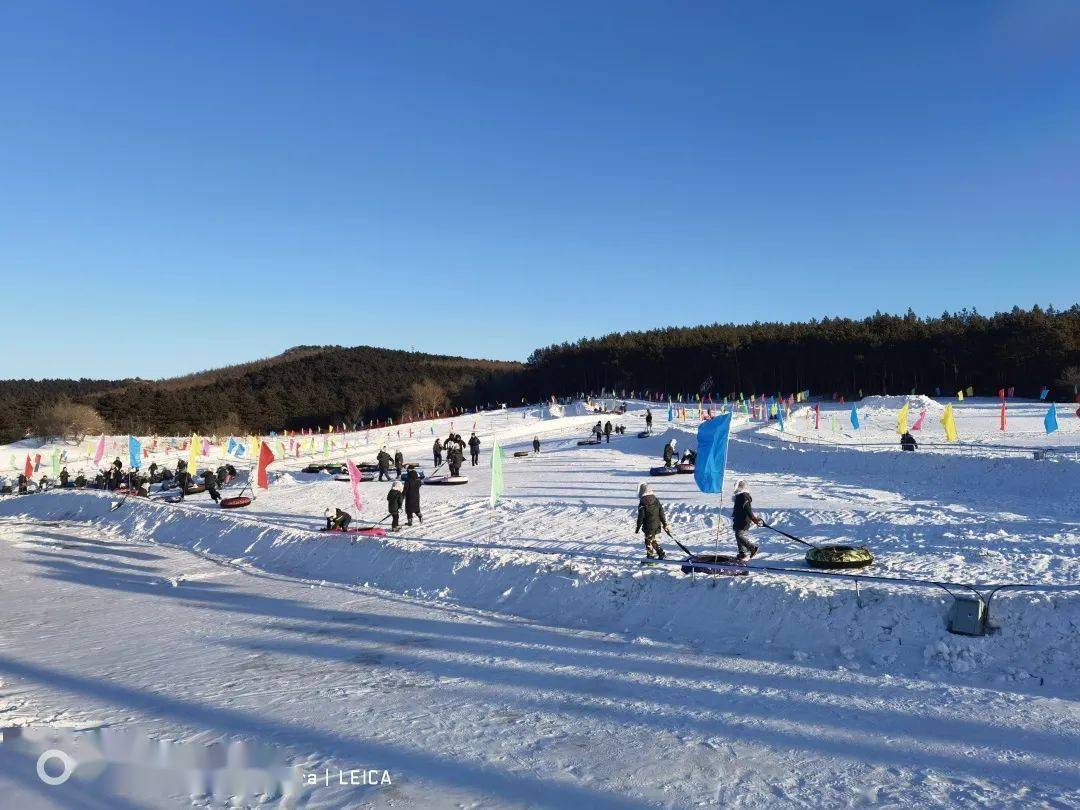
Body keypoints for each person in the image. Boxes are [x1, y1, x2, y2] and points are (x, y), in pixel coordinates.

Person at [635, 483, 669, 560]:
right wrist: (664, 523)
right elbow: (661, 513)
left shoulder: (642, 503)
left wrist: (638, 527)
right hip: (656, 525)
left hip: (648, 526)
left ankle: (650, 557)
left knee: (648, 541)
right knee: (652, 539)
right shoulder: (656, 500)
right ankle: (661, 553)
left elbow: (640, 517)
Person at [731, 480, 763, 561]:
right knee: (738, 534)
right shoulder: (739, 496)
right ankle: (742, 553)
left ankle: (752, 547)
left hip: (743, 519)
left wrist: (753, 518)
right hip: (739, 518)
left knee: (739, 535)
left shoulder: (743, 496)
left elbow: (747, 509)